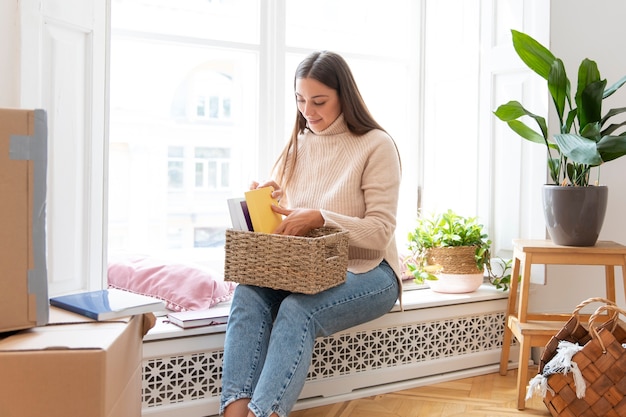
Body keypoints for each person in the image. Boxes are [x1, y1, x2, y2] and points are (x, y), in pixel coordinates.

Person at [220, 50, 402, 417]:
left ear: (344, 97)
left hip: (372, 272)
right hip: (308, 271)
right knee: (248, 293)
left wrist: (320, 217)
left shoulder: (376, 145)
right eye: (301, 100)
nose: (308, 111)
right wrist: (268, 201)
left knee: (297, 310)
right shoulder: (298, 144)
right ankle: (235, 413)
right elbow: (291, 223)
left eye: (319, 101)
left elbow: (379, 233)